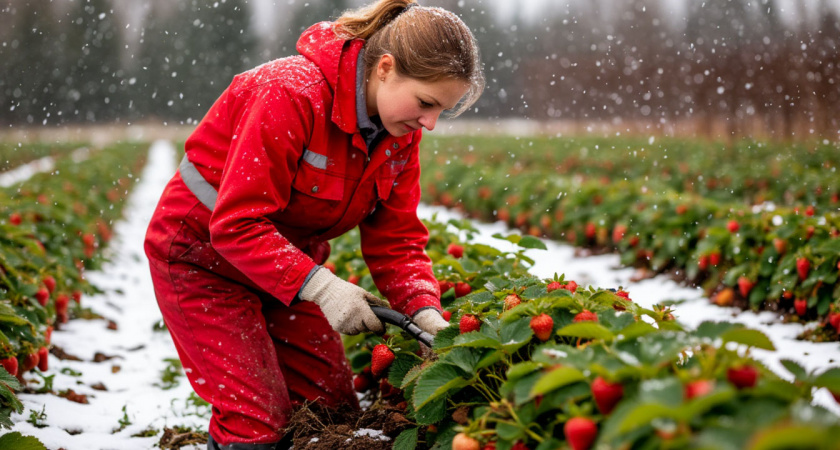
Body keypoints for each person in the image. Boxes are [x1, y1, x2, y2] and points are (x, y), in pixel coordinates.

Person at [143, 1, 484, 448]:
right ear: (385, 68)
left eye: (442, 111)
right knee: (256, 422)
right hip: (200, 260)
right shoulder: (289, 94)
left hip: (283, 270)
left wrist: (424, 311)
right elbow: (234, 224)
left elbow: (397, 240)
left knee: (330, 414)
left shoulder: (399, 135)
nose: (430, 123)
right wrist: (322, 288)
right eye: (426, 103)